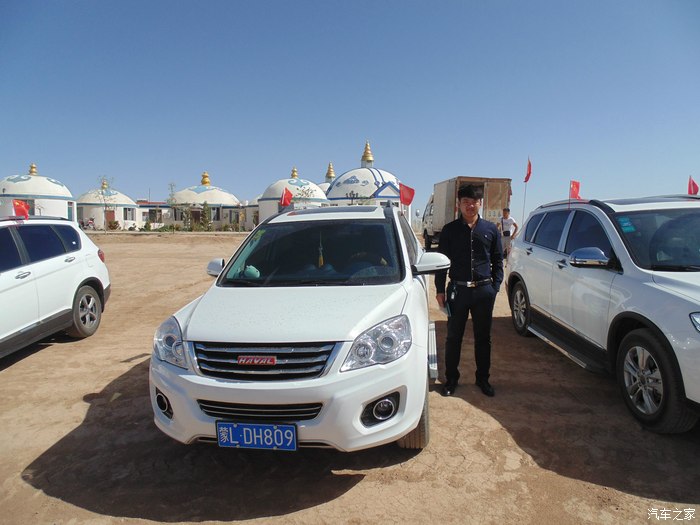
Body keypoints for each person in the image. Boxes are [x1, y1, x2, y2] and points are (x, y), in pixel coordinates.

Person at [435, 185, 503, 397]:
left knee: (483, 338)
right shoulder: (449, 230)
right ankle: (451, 380)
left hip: (484, 292)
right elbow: (441, 263)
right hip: (458, 291)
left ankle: (483, 379)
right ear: (459, 204)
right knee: (453, 337)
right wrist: (440, 290)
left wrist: (494, 287)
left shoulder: (491, 230)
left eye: (474, 202)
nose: (470, 206)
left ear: (480, 203)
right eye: (466, 202)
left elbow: (498, 261)